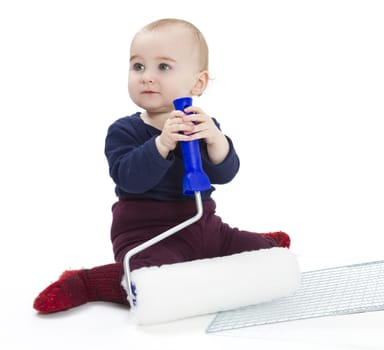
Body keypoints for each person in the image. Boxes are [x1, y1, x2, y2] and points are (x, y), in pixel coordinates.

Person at [33, 18, 290, 314]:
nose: (146, 77)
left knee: (269, 256)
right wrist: (162, 144)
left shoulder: (203, 125)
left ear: (198, 83)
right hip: (150, 236)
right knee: (149, 282)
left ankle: (253, 245)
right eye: (138, 66)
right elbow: (129, 179)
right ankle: (89, 282)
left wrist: (217, 140)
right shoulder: (123, 131)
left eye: (163, 67)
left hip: (204, 227)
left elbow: (226, 173)